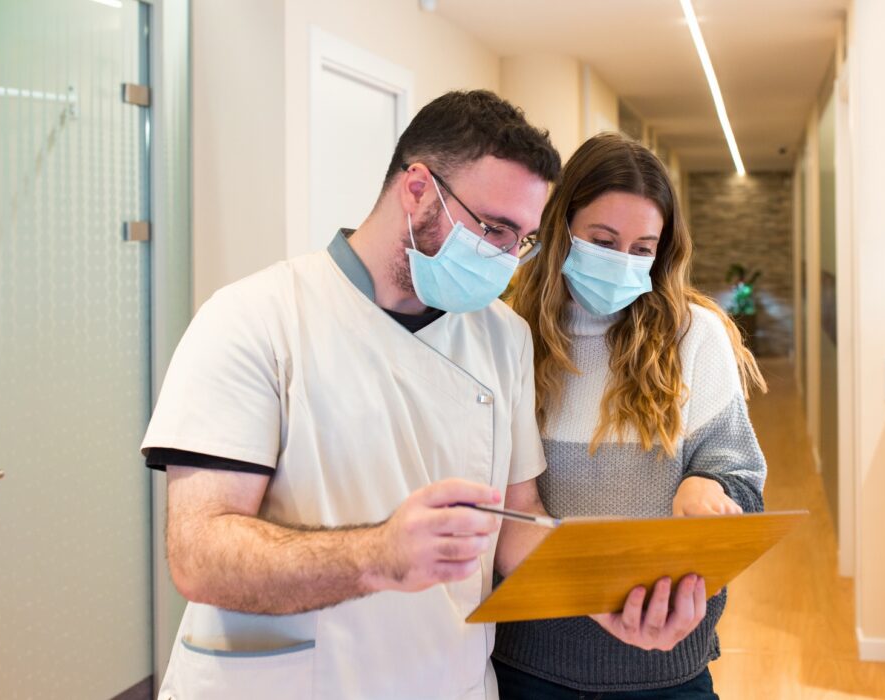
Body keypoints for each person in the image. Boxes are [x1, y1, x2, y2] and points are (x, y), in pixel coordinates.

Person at [141, 92, 700, 700]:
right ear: (417, 189)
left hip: (448, 680)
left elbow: (513, 524)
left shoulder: (502, 337)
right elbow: (198, 554)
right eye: (493, 228)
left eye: (524, 240)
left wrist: (605, 593)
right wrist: (379, 554)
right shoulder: (256, 318)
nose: (507, 260)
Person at [494, 132, 769, 699]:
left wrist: (708, 487)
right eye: (602, 240)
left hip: (668, 668)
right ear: (559, 228)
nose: (622, 263)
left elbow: (741, 481)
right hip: (529, 662)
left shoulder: (694, 335)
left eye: (643, 248)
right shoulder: (507, 333)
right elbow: (503, 501)